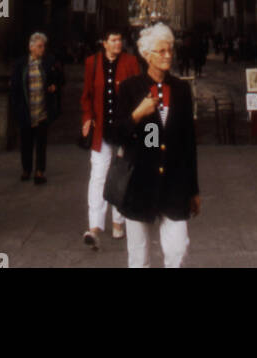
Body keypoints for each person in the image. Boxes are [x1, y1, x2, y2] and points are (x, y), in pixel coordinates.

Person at [114, 22, 200, 269]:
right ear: (147, 55)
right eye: (161, 51)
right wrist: (137, 115)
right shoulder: (130, 89)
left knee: (178, 249)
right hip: (139, 184)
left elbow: (188, 143)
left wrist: (193, 189)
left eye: (170, 50)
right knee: (138, 257)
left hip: (174, 184)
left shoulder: (182, 89)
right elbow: (117, 133)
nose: (168, 56)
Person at [81, 29, 140, 249]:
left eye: (119, 40)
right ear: (104, 43)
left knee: (121, 174)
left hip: (124, 130)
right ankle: (94, 227)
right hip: (101, 132)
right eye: (113, 40)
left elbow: (138, 93)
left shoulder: (131, 62)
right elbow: (86, 95)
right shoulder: (91, 63)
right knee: (98, 176)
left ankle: (118, 221)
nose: (118, 43)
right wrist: (87, 118)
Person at [9, 32, 64, 183]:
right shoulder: (21, 64)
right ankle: (26, 169)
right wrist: (16, 108)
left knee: (41, 143)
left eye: (43, 46)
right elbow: (14, 88)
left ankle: (40, 171)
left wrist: (55, 86)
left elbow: (60, 78)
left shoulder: (48, 62)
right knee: (26, 142)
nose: (42, 49)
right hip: (27, 109)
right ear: (31, 47)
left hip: (42, 110)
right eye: (39, 46)